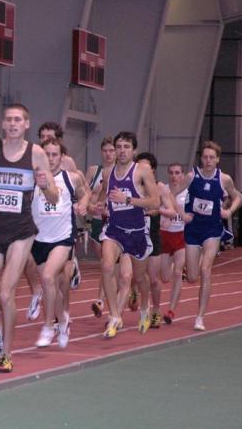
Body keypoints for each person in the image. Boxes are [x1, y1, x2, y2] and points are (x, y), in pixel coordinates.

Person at [0, 103, 58, 373]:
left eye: (17, 120)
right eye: (8, 120)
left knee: (6, 293)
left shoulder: (37, 153)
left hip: (21, 231)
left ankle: (6, 353)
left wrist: (44, 185)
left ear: (26, 124)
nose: (12, 124)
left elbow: (54, 196)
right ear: (3, 124)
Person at [95, 132, 159, 339]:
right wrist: (94, 206)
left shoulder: (142, 171)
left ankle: (144, 308)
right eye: (118, 147)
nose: (122, 151)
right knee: (106, 266)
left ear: (134, 150)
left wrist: (128, 199)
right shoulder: (107, 172)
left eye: (126, 147)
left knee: (140, 278)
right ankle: (114, 315)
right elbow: (103, 199)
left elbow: (155, 202)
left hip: (137, 232)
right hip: (114, 230)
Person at [31, 138, 89, 349]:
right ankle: (63, 320)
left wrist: (82, 205)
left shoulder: (71, 178)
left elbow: (85, 196)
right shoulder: (32, 178)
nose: (51, 159)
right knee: (50, 286)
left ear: (62, 157)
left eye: (55, 155)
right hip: (39, 239)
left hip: (63, 238)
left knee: (48, 277)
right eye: (47, 154)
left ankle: (48, 326)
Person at [180, 141, 242, 331]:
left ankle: (199, 317)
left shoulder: (224, 179)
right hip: (193, 230)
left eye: (211, 157)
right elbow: (170, 193)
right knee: (192, 277)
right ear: (201, 158)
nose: (208, 160)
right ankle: (195, 265)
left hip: (212, 230)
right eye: (205, 157)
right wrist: (182, 214)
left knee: (206, 270)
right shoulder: (192, 176)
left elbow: (237, 196)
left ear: (217, 159)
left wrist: (230, 210)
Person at [135, 152, 177, 329]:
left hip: (152, 235)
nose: (141, 170)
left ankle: (156, 311)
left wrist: (157, 210)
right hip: (135, 236)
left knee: (152, 279)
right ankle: (123, 310)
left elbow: (172, 211)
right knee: (132, 277)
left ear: (152, 169)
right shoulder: (133, 186)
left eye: (145, 167)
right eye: (138, 167)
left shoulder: (160, 188)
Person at [86, 136, 116, 317]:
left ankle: (101, 300)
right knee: (105, 265)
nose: (109, 154)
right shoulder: (93, 170)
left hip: (114, 223)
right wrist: (92, 204)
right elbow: (85, 194)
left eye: (112, 150)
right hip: (97, 222)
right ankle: (107, 297)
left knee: (108, 263)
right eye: (105, 150)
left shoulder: (122, 172)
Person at [159, 163, 187, 325]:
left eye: (177, 173)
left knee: (177, 273)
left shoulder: (188, 193)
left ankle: (171, 310)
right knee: (165, 277)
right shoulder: (164, 191)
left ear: (182, 175)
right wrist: (164, 219)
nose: (174, 176)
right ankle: (172, 268)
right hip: (165, 236)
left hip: (182, 236)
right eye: (171, 173)